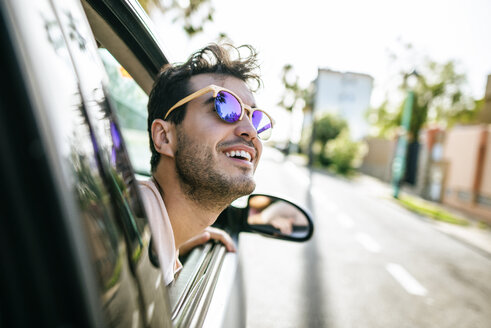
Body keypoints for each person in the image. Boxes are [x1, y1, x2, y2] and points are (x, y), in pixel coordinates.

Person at [139, 43, 274, 285]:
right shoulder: (125, 234)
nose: (250, 132)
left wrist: (178, 241)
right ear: (164, 137)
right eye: (225, 107)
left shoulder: (151, 238)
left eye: (255, 118)